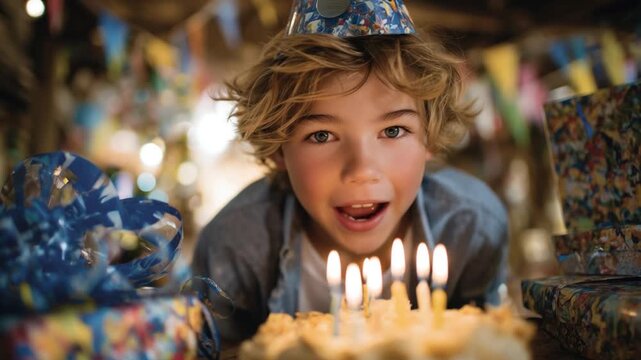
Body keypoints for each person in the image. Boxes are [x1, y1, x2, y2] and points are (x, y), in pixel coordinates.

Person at [192, 0, 508, 341]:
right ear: (279, 149)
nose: (361, 170)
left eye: (392, 131)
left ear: (429, 136)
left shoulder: (471, 229)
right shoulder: (235, 248)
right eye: (322, 135)